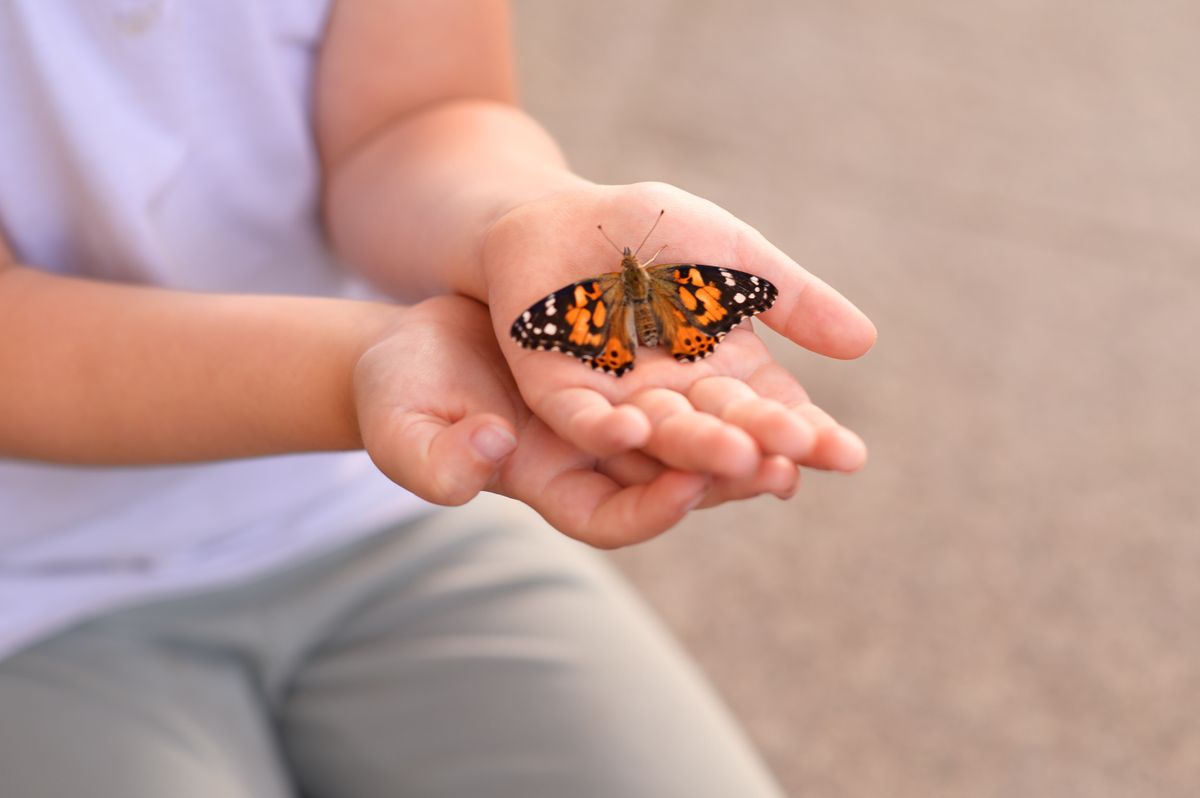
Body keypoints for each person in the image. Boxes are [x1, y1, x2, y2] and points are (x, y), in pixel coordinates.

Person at [0, 1, 875, 796]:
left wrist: (518, 220)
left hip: (367, 508)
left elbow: (413, 115)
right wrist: (363, 367)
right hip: (31, 595)